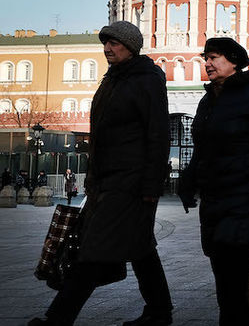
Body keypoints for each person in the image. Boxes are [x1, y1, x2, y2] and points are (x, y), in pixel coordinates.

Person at [30, 20, 173, 326]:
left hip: (130, 182)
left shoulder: (145, 80)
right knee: (142, 250)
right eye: (105, 43)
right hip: (107, 181)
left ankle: (57, 319)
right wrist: (93, 178)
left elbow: (158, 135)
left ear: (131, 46)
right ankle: (160, 313)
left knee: (92, 251)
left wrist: (151, 184)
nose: (107, 48)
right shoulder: (113, 80)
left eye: (114, 43)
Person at [178, 37, 249, 326]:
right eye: (206, 58)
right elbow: (201, 146)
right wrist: (188, 179)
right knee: (222, 271)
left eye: (214, 57)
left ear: (233, 61)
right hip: (216, 199)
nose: (207, 63)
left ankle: (248, 319)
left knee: (238, 271)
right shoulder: (208, 100)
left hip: (247, 194)